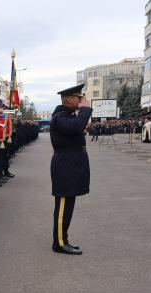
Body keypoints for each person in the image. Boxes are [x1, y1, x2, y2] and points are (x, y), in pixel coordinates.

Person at [50, 84, 92, 255]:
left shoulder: (67, 116)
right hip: (65, 166)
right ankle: (59, 243)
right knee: (63, 206)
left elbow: (76, 129)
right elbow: (75, 127)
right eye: (78, 98)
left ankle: (63, 239)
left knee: (68, 204)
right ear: (68, 99)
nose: (81, 101)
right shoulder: (60, 117)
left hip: (71, 165)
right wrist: (86, 110)